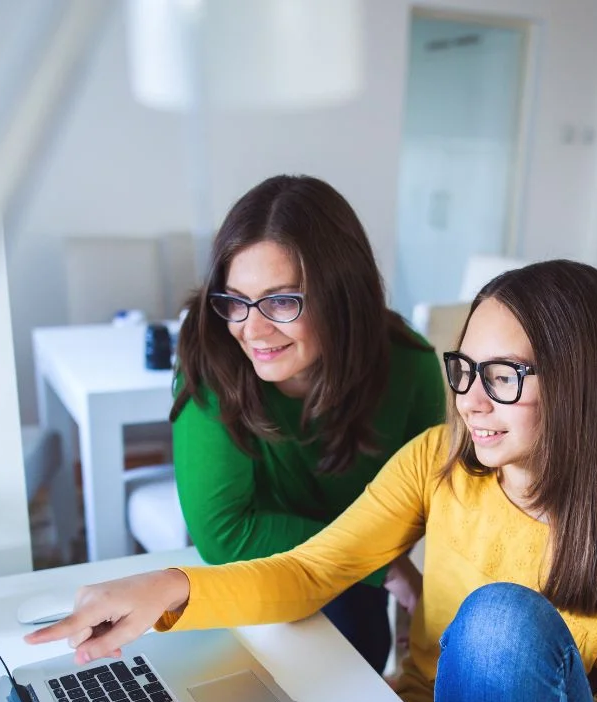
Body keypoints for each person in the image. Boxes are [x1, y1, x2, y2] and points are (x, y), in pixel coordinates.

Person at [28, 260, 597, 702]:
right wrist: (174, 586)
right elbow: (315, 569)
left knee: (501, 619)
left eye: (504, 376)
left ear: (583, 389)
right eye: (464, 370)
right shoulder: (440, 463)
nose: (470, 402)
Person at [169, 174, 445, 674]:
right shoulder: (210, 348)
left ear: (342, 297)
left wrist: (413, 587)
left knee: (359, 650)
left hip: (353, 584)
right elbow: (224, 534)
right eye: (235, 299)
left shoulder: (408, 363)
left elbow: (424, 506)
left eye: (281, 301)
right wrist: (385, 568)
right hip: (251, 575)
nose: (251, 329)